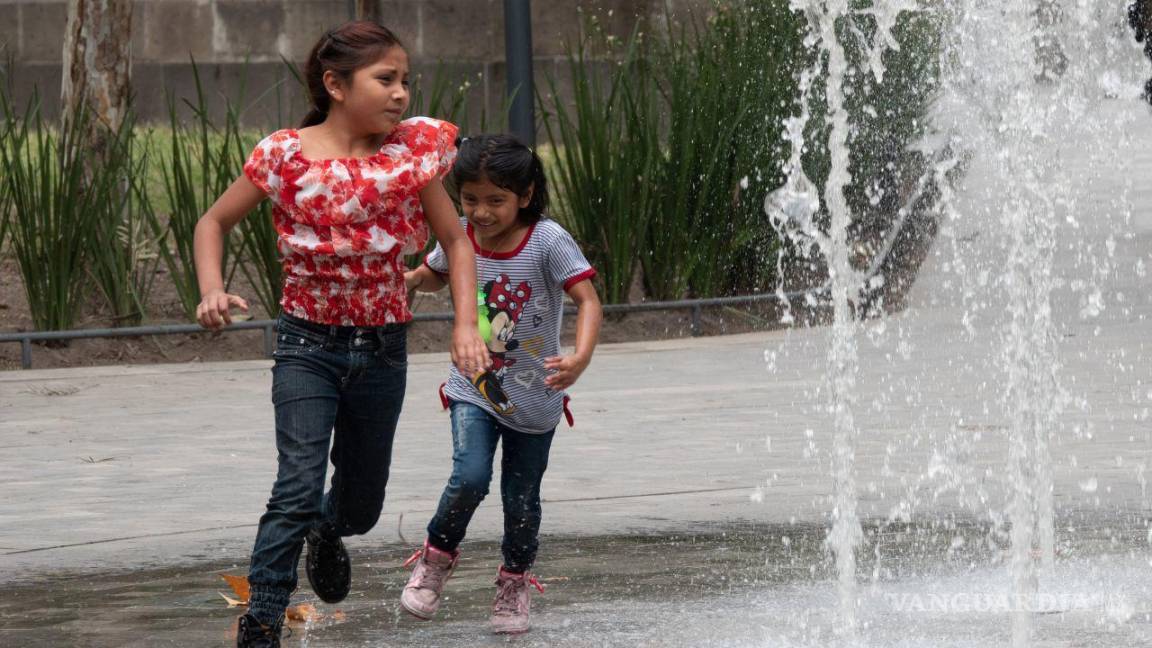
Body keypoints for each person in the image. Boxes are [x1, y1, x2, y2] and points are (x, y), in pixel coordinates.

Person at [191, 21, 488, 647]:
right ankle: (262, 622)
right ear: (335, 84)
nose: (401, 93)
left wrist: (465, 325)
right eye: (386, 79)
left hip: (382, 350)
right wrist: (212, 288)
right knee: (294, 485)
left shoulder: (412, 154)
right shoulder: (284, 156)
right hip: (306, 346)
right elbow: (213, 221)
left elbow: (457, 241)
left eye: (406, 80)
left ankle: (329, 530)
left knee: (361, 505)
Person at [399, 134, 603, 635]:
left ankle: (514, 580)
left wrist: (579, 357)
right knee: (469, 476)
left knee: (521, 499)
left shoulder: (548, 241)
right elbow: (432, 274)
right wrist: (398, 282)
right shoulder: (459, 235)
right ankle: (436, 558)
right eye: (470, 200)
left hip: (536, 395)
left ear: (526, 195)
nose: (482, 213)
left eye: (496, 200)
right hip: (476, 384)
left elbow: (589, 301)